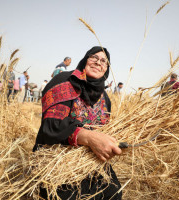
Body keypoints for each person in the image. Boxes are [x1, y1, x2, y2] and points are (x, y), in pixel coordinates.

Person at [33, 46, 122, 200]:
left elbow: (103, 130)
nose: (98, 62)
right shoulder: (65, 81)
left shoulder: (104, 97)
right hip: (57, 160)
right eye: (93, 57)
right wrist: (88, 137)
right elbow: (51, 126)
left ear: (107, 69)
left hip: (88, 160)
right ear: (85, 60)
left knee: (113, 192)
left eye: (103, 61)